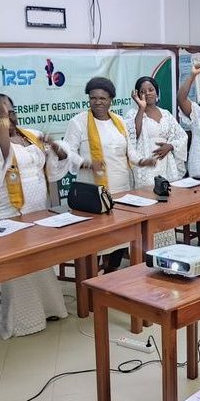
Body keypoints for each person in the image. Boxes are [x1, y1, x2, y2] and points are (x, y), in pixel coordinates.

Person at [0, 94, 69, 338]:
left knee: (39, 260)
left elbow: (54, 164)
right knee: (18, 266)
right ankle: (25, 321)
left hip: (36, 209)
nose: (8, 118)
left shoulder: (31, 134)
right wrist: (2, 127)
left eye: (10, 112)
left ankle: (51, 308)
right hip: (7, 210)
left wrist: (56, 148)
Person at [64, 77, 154, 272]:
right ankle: (91, 277)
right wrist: (86, 163)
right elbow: (68, 152)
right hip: (92, 192)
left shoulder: (119, 121)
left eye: (102, 98)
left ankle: (111, 271)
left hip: (120, 188)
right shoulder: (78, 122)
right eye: (93, 98)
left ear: (111, 99)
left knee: (119, 236)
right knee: (95, 240)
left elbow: (130, 151)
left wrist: (142, 161)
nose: (97, 102)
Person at [126, 75, 187, 248]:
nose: (147, 93)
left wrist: (170, 146)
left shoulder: (166, 114)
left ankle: (166, 247)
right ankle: (145, 249)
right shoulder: (132, 114)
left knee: (165, 205)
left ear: (157, 92)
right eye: (143, 91)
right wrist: (141, 108)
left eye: (151, 90)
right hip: (145, 168)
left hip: (165, 166)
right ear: (137, 95)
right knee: (147, 206)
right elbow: (133, 135)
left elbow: (182, 136)